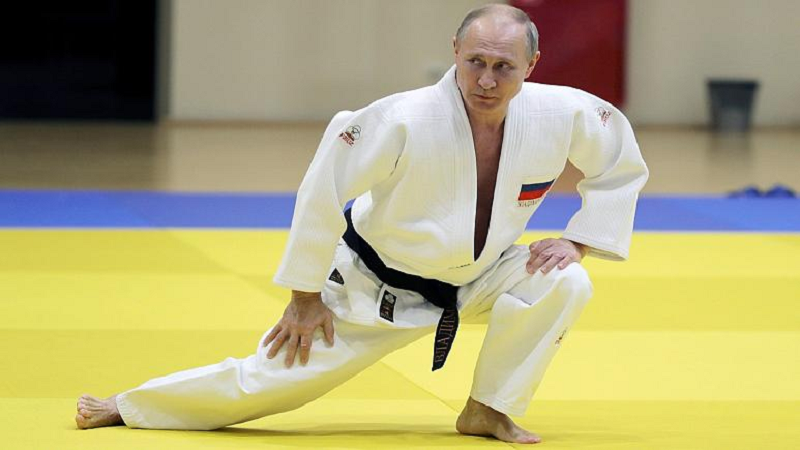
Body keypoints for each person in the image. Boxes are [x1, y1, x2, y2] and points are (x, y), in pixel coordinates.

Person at [75, 4, 648, 445]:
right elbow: (320, 194)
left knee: (565, 279)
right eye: (475, 62)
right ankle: (131, 404)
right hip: (375, 288)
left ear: (532, 66)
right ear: (454, 51)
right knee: (268, 385)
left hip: (478, 276)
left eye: (505, 67)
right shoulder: (399, 118)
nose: (487, 81)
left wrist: (579, 239)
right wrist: (304, 296)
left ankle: (489, 408)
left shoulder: (563, 113)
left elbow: (620, 161)